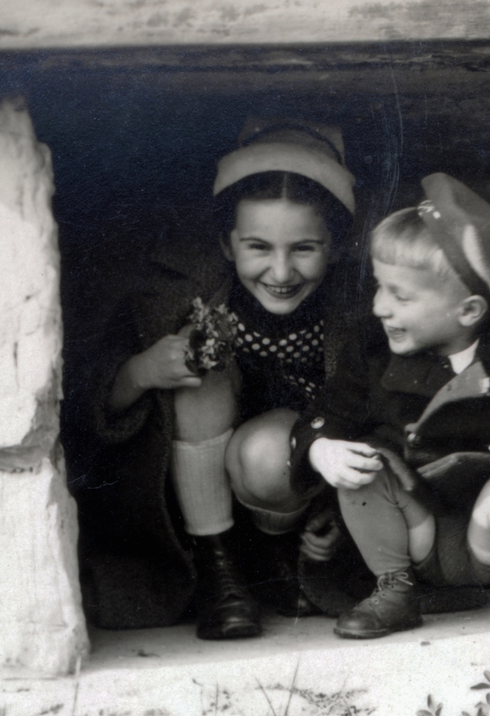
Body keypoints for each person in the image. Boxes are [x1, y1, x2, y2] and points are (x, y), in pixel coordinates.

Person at [292, 173, 490, 639]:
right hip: (412, 533)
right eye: (378, 288)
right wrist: (324, 452)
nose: (379, 307)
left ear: (468, 311)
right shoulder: (369, 355)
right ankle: (393, 590)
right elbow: (324, 420)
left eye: (399, 295)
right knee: (364, 464)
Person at [80, 121, 360, 638]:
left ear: (336, 246)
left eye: (304, 248)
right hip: (195, 504)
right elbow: (93, 404)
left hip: (291, 482)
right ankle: (221, 573)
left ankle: (276, 565)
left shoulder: (354, 306)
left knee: (270, 450)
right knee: (199, 370)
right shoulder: (178, 294)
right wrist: (144, 369)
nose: (280, 272)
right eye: (258, 247)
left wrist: (338, 510)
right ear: (227, 245)